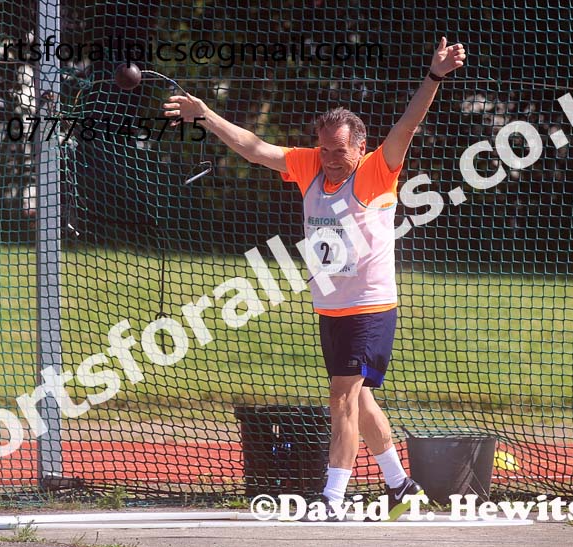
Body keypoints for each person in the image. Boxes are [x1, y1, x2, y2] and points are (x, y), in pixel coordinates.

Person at [164, 37, 466, 520]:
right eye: (323, 147)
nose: (328, 156)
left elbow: (408, 124)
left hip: (369, 306)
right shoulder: (310, 166)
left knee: (341, 397)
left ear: (361, 146)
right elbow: (256, 148)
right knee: (361, 398)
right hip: (330, 306)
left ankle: (333, 498)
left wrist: (433, 76)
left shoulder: (376, 171)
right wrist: (206, 116)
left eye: (338, 149)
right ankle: (401, 485)